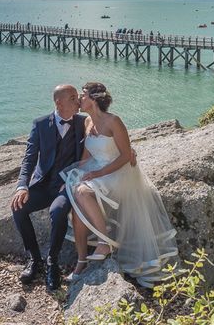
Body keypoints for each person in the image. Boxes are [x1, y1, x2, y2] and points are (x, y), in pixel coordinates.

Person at [62, 82, 179, 287]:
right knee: (76, 203)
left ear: (94, 99)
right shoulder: (87, 122)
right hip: (98, 172)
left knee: (82, 191)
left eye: (83, 95)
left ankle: (105, 242)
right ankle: (81, 263)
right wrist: (79, 173)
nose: (79, 99)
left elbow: (126, 156)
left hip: (119, 173)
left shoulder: (114, 121)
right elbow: (86, 155)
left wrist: (96, 174)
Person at [11, 85, 86, 291]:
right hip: (43, 185)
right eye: (73, 98)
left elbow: (107, 132)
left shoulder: (83, 122)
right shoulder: (40, 124)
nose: (78, 101)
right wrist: (22, 186)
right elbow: (29, 159)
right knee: (18, 207)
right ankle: (35, 259)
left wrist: (127, 150)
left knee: (57, 211)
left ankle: (52, 262)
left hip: (66, 185)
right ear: (59, 103)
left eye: (78, 97)